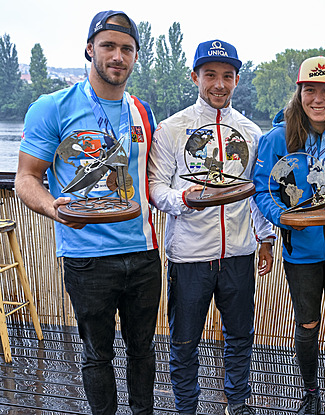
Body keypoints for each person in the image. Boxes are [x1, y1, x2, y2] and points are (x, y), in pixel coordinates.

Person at [15, 10, 161, 415]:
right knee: (98, 355)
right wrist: (53, 209)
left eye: (127, 49)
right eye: (109, 46)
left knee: (144, 351)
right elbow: (26, 178)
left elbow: (158, 177)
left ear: (135, 56)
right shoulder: (52, 107)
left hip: (144, 252)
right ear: (89, 49)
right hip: (86, 256)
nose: (118, 56)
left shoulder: (143, 113)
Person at [148, 39, 276, 415]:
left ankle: (237, 403)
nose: (219, 84)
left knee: (240, 337)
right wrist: (184, 201)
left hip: (238, 253)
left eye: (227, 76)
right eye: (210, 75)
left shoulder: (253, 133)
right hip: (189, 256)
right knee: (184, 341)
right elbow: (156, 187)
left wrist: (266, 238)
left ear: (237, 79)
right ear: (195, 77)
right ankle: (186, 407)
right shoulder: (172, 129)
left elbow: (259, 191)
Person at [252, 56, 325, 415]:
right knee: (306, 325)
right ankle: (309, 392)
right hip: (300, 249)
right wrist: (282, 218)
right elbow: (261, 189)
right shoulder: (278, 137)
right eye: (310, 90)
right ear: (299, 93)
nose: (319, 99)